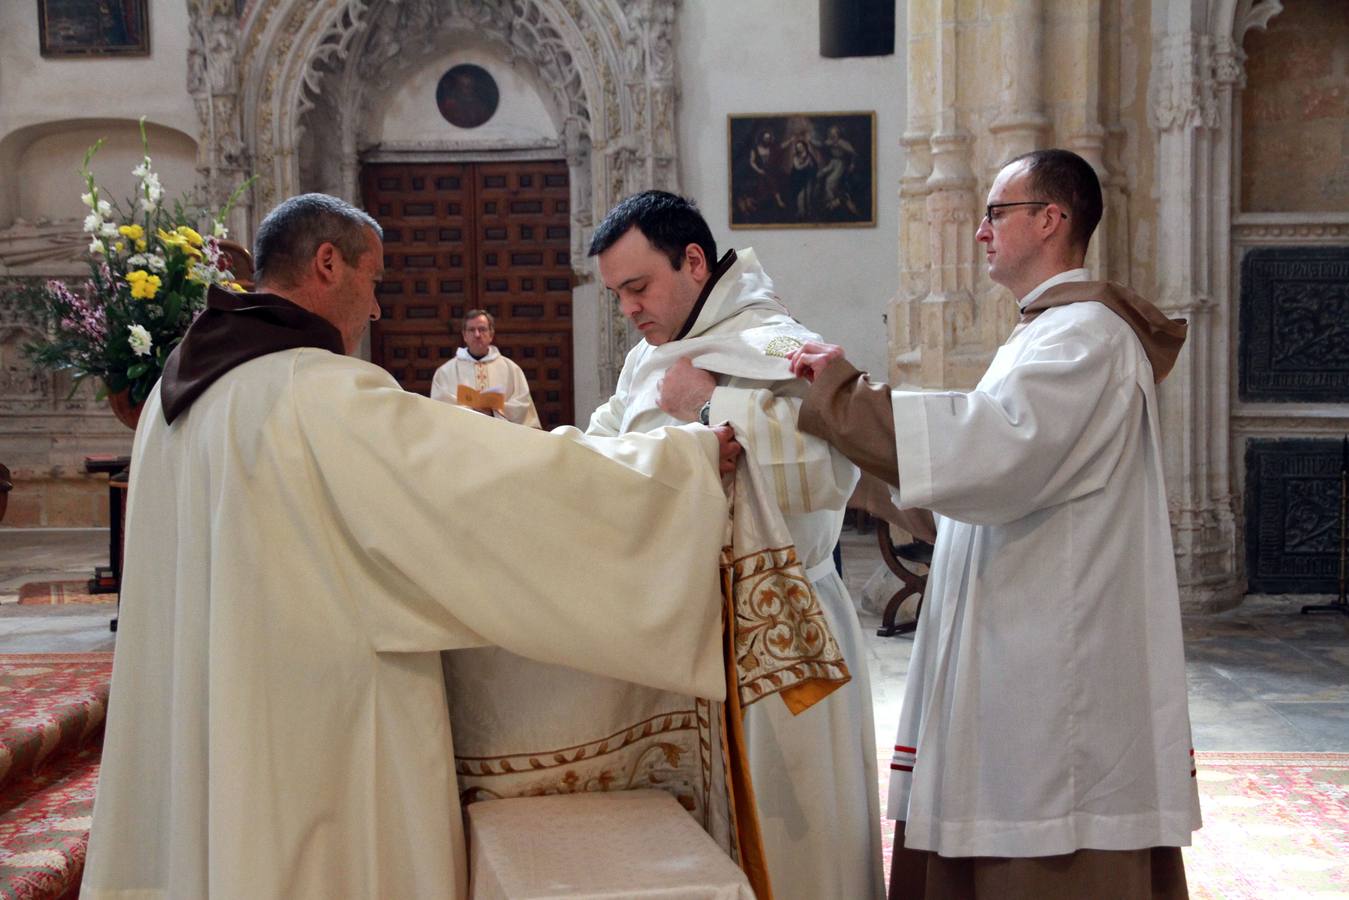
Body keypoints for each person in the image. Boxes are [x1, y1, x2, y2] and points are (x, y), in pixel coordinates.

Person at [80, 193, 742, 899]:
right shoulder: (317, 395)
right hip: (309, 728)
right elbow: (489, 486)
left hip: (210, 712)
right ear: (328, 263)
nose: (375, 311)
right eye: (374, 282)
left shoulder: (172, 395)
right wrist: (677, 466)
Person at [788, 149, 1200, 899]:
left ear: (1051, 220)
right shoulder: (1049, 333)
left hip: (1053, 658)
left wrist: (847, 399)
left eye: (993, 213)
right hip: (1022, 628)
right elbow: (983, 474)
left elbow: (992, 449)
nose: (978, 232)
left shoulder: (1084, 338)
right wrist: (857, 458)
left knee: (1045, 823)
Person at [590, 190, 883, 899]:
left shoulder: (778, 343)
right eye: (617, 295)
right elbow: (604, 443)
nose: (628, 309)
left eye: (638, 287)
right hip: (678, 622)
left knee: (794, 838)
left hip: (780, 628)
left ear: (693, 261)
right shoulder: (649, 356)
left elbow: (829, 466)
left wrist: (707, 407)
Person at [429, 309, 541, 427]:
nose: (477, 335)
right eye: (472, 330)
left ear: (491, 335)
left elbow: (522, 406)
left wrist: (493, 411)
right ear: (464, 335)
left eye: (482, 329)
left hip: (500, 435)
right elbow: (440, 410)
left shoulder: (511, 370)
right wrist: (473, 411)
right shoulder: (445, 372)